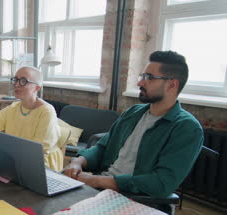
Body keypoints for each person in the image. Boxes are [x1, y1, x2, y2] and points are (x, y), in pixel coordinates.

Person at [63, 50, 203, 200]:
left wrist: (97, 180)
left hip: (132, 199)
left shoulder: (186, 128)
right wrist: (77, 162)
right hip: (99, 190)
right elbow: (102, 148)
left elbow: (161, 183)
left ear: (172, 85)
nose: (140, 83)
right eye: (142, 76)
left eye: (149, 78)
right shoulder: (134, 113)